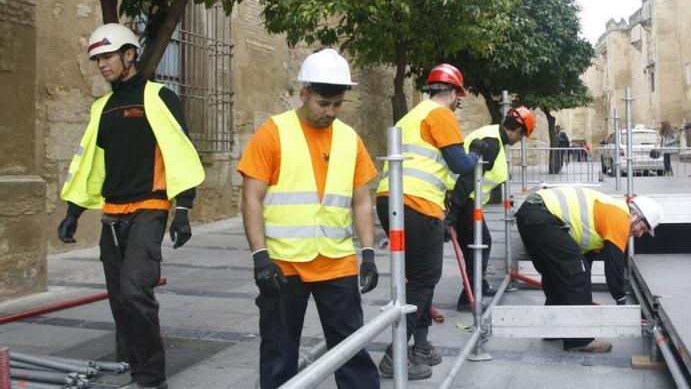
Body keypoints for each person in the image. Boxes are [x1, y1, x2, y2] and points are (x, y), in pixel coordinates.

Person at [57, 23, 204, 389]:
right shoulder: (101, 108)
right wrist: (73, 213)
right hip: (111, 216)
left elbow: (181, 153)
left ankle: (152, 379)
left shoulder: (158, 97)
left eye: (107, 56)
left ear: (129, 55)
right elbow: (90, 163)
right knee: (121, 299)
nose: (102, 65)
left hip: (149, 209)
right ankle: (131, 362)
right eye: (97, 59)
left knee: (136, 292)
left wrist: (183, 209)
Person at [238, 49, 380, 389]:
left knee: (351, 350)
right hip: (283, 264)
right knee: (278, 352)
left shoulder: (349, 138)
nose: (330, 112)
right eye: (322, 104)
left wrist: (369, 253)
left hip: (337, 261)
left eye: (337, 105)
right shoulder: (273, 133)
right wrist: (259, 256)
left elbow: (362, 202)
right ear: (304, 94)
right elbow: (251, 198)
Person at [375, 63, 480, 380]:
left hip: (391, 202)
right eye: (459, 97)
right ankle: (395, 355)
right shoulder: (440, 114)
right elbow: (460, 163)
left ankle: (420, 346)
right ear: (453, 94)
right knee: (424, 279)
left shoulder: (413, 115)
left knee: (420, 279)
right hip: (416, 206)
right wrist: (477, 156)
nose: (458, 103)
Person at [514, 187, 664, 353]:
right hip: (543, 217)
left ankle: (553, 328)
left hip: (530, 214)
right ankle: (580, 339)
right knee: (576, 274)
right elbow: (614, 264)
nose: (640, 234)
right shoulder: (620, 217)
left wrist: (581, 280)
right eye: (642, 228)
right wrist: (621, 300)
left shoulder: (607, 216)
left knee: (558, 274)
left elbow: (586, 261)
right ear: (635, 215)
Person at [448, 107, 535, 311]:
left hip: (464, 199)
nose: (519, 141)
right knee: (481, 242)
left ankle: (477, 287)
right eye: (522, 137)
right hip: (462, 199)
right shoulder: (493, 142)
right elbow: (468, 178)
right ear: (518, 132)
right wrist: (453, 213)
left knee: (476, 244)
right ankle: (469, 298)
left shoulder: (492, 135)